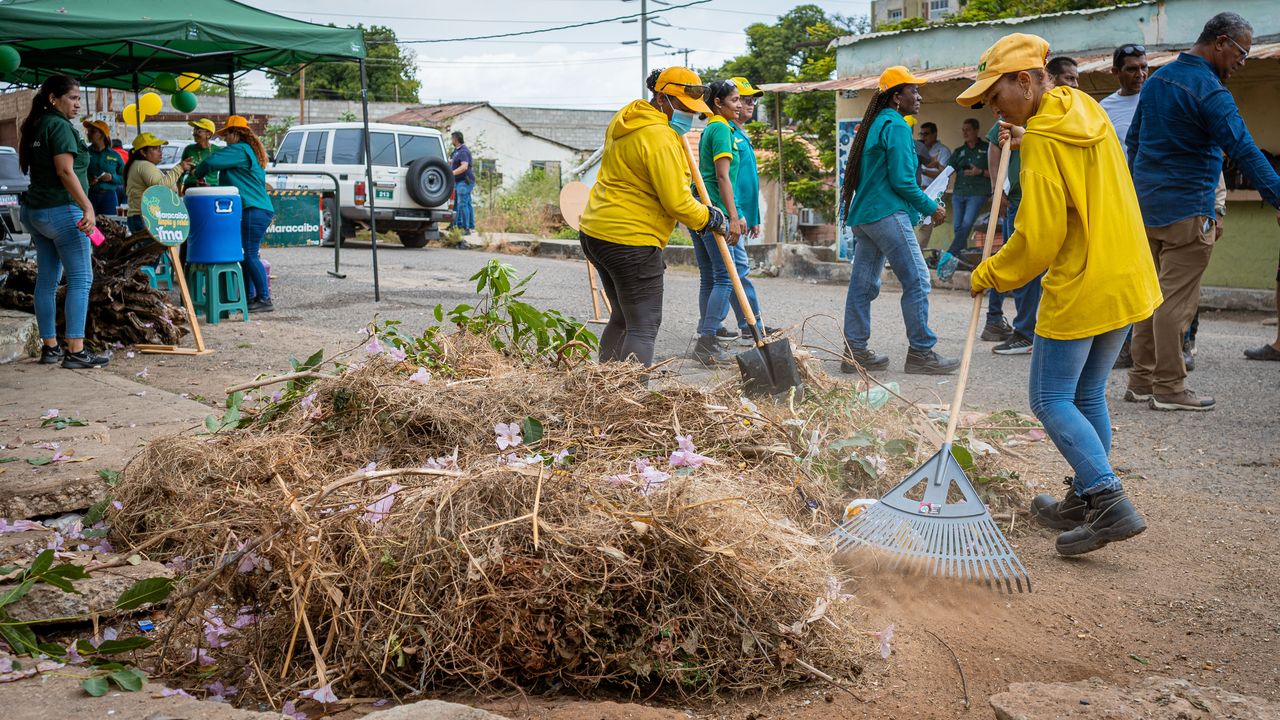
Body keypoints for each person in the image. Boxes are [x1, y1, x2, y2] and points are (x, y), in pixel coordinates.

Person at [958, 33, 1161, 556]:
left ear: (1025, 81)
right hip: (1126, 272)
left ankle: (1108, 499)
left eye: (995, 95)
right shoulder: (1083, 108)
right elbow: (1074, 162)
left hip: (1084, 280)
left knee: (1049, 398)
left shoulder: (1045, 141)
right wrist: (1026, 138)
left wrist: (990, 273)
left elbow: (1038, 240)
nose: (992, 108)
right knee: (1087, 394)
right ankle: (1082, 499)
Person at [1125, 12, 1280, 411]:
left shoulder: (1157, 79)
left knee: (1150, 297)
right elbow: (1244, 150)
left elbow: (1135, 141)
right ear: (1221, 42)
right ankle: (1170, 387)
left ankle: (1140, 381)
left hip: (1147, 208)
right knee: (1175, 304)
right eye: (1241, 54)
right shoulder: (1210, 91)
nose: (1241, 64)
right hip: (1188, 210)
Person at [577, 67, 724, 366]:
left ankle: (603, 389)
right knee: (644, 325)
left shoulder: (628, 121)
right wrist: (709, 218)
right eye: (682, 106)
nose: (688, 115)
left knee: (622, 316)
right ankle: (629, 402)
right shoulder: (660, 137)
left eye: (693, 110)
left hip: (597, 231)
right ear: (662, 99)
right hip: (630, 238)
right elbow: (678, 203)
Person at [839, 66, 958, 376]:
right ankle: (921, 352)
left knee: (863, 286)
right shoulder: (897, 126)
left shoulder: (877, 124)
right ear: (896, 97)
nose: (918, 97)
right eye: (913, 91)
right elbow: (903, 182)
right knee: (918, 279)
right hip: (886, 214)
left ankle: (854, 352)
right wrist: (932, 207)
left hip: (864, 216)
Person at [17, 75, 110, 369]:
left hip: (36, 212)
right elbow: (65, 172)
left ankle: (51, 347)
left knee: (47, 279)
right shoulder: (58, 126)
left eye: (80, 98)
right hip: (63, 210)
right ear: (53, 99)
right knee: (81, 279)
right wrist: (88, 207)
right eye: (72, 98)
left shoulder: (38, 124)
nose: (78, 104)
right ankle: (76, 350)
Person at [689, 79, 749, 366]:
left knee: (710, 276)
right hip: (715, 213)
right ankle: (707, 340)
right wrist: (733, 217)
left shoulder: (709, 129)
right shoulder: (722, 130)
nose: (739, 105)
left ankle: (706, 331)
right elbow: (722, 177)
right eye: (735, 100)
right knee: (725, 276)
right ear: (718, 103)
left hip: (700, 209)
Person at [193, 115, 276, 313]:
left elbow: (212, 161)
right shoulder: (246, 151)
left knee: (249, 254)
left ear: (236, 134)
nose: (224, 139)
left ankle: (264, 299)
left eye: (226, 135)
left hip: (253, 210)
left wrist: (198, 172)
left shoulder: (239, 150)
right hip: (255, 209)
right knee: (246, 254)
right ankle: (249, 297)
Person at [982, 112, 1042, 356]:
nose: (1073, 83)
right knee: (1020, 265)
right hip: (1019, 200)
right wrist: (997, 187)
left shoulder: (1053, 115)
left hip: (1043, 198)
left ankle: (1030, 330)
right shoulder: (1015, 115)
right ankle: (1023, 330)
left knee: (1038, 268)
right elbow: (995, 142)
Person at [723, 76, 775, 345]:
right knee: (736, 271)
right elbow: (729, 180)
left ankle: (747, 323)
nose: (751, 103)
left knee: (734, 272)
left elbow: (749, 181)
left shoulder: (742, 134)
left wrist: (752, 216)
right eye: (744, 99)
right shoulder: (727, 133)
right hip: (732, 214)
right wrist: (738, 213)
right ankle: (751, 323)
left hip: (742, 214)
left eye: (753, 99)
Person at [944, 118, 991, 260]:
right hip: (959, 193)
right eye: (963, 130)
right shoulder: (959, 151)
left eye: (968, 130)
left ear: (976, 130)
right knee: (958, 226)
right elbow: (947, 170)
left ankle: (951, 254)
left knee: (966, 223)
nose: (965, 133)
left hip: (978, 192)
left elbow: (999, 173)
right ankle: (962, 258)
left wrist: (980, 172)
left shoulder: (987, 148)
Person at [124, 133, 189, 235]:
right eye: (155, 148)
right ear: (143, 152)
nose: (160, 152)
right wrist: (179, 168)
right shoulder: (144, 165)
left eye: (160, 148)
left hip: (139, 217)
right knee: (154, 251)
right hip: (145, 217)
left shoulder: (137, 164)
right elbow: (160, 187)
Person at [914, 121, 950, 249]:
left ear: (935, 134)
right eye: (921, 134)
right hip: (916, 191)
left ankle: (918, 256)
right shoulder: (917, 147)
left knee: (925, 225)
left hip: (932, 193)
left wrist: (922, 170)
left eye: (927, 134)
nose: (923, 137)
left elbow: (943, 174)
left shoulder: (943, 150)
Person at [83, 120, 124, 219]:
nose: (88, 134)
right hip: (89, 196)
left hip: (109, 197)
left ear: (101, 134)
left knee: (111, 227)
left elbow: (125, 177)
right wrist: (88, 180)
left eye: (92, 131)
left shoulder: (115, 155)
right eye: (88, 131)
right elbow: (78, 173)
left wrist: (111, 177)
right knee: (91, 228)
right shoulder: (85, 153)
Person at [180, 118, 217, 191]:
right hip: (191, 187)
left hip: (212, 188)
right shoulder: (189, 149)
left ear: (208, 134)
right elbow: (181, 172)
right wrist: (180, 192)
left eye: (198, 131)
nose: (194, 133)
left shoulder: (217, 150)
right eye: (194, 130)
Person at [450, 131, 474, 236]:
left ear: (456, 139)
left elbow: (464, 166)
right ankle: (459, 225)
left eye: (452, 139)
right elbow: (454, 162)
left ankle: (466, 228)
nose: (451, 141)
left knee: (463, 204)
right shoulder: (457, 151)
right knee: (462, 203)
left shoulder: (463, 151)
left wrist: (452, 173)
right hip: (458, 181)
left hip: (464, 181)